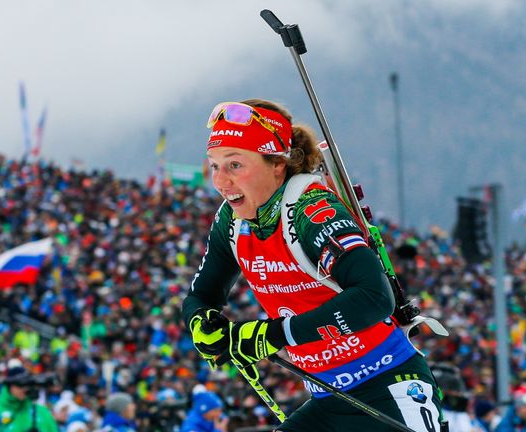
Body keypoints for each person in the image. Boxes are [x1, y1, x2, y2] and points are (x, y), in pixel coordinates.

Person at [181, 99, 446, 431]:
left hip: (387, 388)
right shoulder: (232, 220)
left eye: (235, 165)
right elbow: (201, 295)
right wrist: (200, 322)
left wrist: (273, 334)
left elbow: (375, 298)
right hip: (328, 400)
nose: (221, 181)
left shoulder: (312, 211)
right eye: (214, 166)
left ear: (277, 164)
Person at [0, 360, 58, 432]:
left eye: (27, 384)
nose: (24, 388)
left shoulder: (40, 411)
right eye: (19, 384)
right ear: (9, 386)